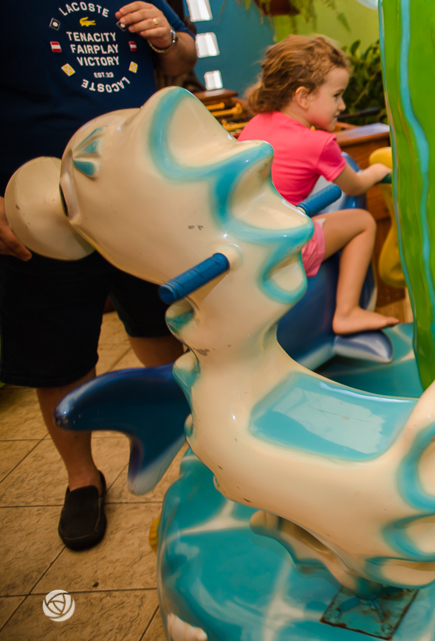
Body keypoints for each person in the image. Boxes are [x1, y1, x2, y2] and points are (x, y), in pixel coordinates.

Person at [0, 2, 197, 550]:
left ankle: (195, 443)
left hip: (138, 192)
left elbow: (183, 57)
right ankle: (82, 480)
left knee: (166, 320)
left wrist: (167, 39)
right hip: (36, 202)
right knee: (57, 351)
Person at [238, 35, 399, 335]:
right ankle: (348, 311)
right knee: (363, 221)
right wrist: (377, 171)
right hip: (284, 247)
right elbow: (355, 186)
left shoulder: (256, 124)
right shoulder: (318, 143)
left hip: (248, 241)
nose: (343, 105)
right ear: (303, 96)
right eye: (337, 95)